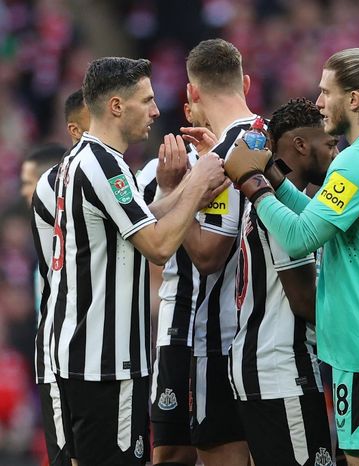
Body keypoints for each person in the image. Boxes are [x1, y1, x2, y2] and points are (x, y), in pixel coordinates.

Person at [224, 47, 359, 466]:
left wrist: (252, 183)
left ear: (353, 99)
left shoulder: (356, 162)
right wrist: (274, 178)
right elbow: (330, 220)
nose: (319, 103)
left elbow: (302, 237)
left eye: (326, 92)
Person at [47, 57, 226, 465]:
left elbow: (139, 223)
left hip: (77, 355)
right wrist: (198, 184)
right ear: (115, 106)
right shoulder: (106, 166)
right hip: (108, 363)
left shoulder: (81, 159)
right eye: (146, 100)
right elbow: (158, 246)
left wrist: (171, 190)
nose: (156, 111)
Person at [231, 97, 338, 466]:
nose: (337, 154)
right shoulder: (279, 210)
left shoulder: (274, 201)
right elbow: (305, 301)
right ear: (300, 145)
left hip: (271, 366)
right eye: (331, 144)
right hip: (281, 369)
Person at [178, 38, 258, 465]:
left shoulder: (222, 155)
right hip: (286, 340)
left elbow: (208, 253)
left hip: (223, 338)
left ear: (193, 93)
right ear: (245, 82)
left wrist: (180, 191)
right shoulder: (280, 136)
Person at [135, 97, 211, 466]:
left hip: (237, 336)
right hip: (177, 330)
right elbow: (140, 242)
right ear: (189, 109)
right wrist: (176, 190)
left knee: (232, 449)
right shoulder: (153, 173)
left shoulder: (253, 164)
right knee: (172, 452)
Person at [26, 143, 68, 465]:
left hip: (70, 366)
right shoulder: (40, 242)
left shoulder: (73, 245)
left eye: (31, 182)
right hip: (50, 363)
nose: (26, 191)